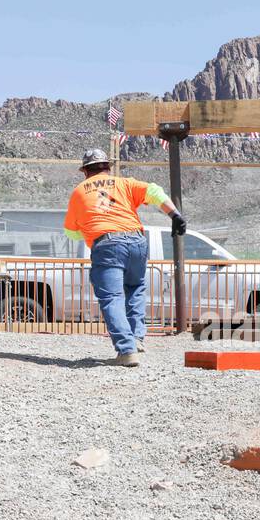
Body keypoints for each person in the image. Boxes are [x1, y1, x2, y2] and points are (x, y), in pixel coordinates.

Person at [63, 149, 185, 366]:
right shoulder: (124, 183)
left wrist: (91, 227)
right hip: (137, 241)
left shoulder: (79, 192)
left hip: (107, 245)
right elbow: (154, 191)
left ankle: (127, 350)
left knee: (111, 298)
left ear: (85, 172)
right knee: (135, 288)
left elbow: (71, 233)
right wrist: (174, 215)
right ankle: (137, 338)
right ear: (107, 168)